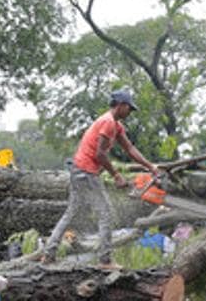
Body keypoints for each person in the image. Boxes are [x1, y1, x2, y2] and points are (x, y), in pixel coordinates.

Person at [41, 89, 160, 268]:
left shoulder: (116, 125)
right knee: (106, 214)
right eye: (129, 108)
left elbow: (130, 149)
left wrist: (151, 167)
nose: (130, 112)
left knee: (71, 212)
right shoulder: (108, 123)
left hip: (78, 170)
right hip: (86, 172)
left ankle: (48, 254)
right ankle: (105, 260)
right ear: (120, 105)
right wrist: (116, 175)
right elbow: (100, 155)